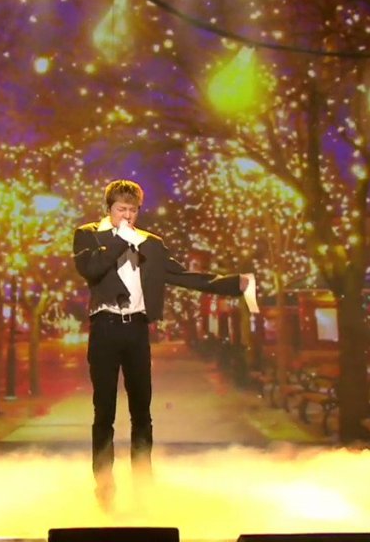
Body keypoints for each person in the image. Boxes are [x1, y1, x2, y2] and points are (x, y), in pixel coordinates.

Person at [72, 179, 252, 509]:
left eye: (133, 210)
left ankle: (143, 484)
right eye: (121, 209)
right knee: (104, 412)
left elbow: (182, 276)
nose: (127, 216)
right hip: (105, 329)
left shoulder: (151, 244)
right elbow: (92, 269)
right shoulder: (88, 235)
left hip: (137, 331)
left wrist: (234, 284)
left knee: (142, 412)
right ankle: (104, 488)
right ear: (109, 209)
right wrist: (120, 240)